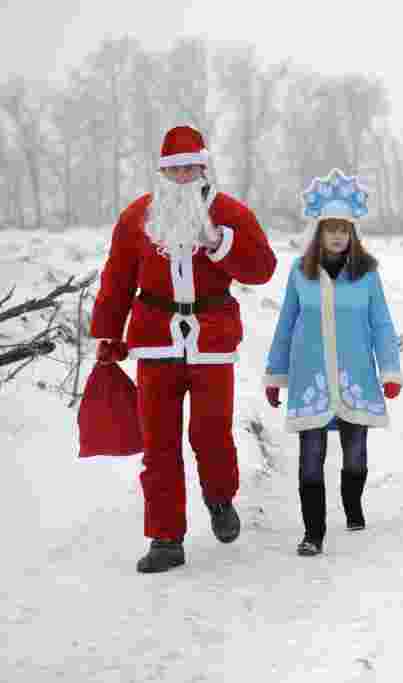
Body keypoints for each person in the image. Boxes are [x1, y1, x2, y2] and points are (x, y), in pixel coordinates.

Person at [91, 125, 277, 573]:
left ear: (203, 167)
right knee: (159, 443)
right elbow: (117, 278)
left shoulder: (230, 213)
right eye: (173, 170)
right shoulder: (138, 216)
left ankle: (219, 498)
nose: (181, 177)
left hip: (212, 340)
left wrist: (220, 244)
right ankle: (165, 537)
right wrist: (108, 333)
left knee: (210, 433)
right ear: (161, 173)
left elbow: (262, 269)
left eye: (189, 168)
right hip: (155, 340)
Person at [264, 169, 402, 556]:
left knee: (355, 457)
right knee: (311, 459)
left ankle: (353, 503)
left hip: (356, 375)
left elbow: (382, 324)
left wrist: (389, 370)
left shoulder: (367, 274)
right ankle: (313, 533)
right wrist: (276, 375)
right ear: (319, 233)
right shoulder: (299, 273)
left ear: (353, 233)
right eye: (331, 229)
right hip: (311, 379)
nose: (338, 235)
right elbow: (286, 324)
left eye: (344, 229)